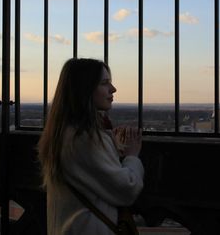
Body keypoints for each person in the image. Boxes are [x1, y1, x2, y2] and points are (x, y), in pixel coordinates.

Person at [38, 58, 144, 235]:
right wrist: (132, 157)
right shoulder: (84, 139)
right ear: (84, 90)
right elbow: (126, 189)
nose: (113, 89)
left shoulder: (62, 133)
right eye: (105, 83)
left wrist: (110, 146)